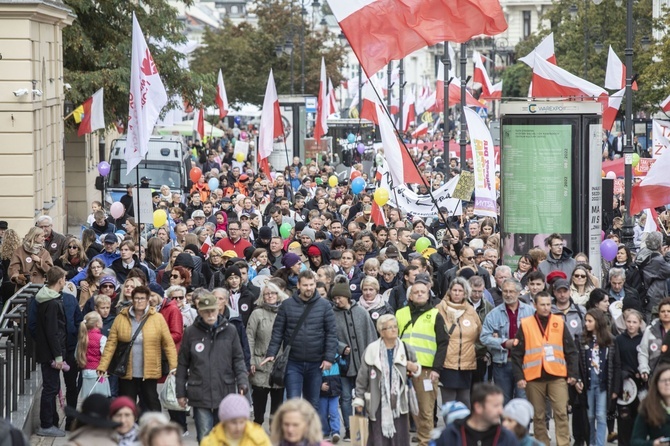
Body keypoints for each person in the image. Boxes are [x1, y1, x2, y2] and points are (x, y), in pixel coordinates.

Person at [176, 292, 249, 442]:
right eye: (206, 311)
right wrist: (180, 392)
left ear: (218, 309)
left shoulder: (230, 330)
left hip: (224, 389)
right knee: (204, 435)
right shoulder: (191, 332)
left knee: (223, 435)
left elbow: (238, 359)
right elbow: (183, 364)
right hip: (199, 391)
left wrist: (242, 381)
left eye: (213, 310)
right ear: (199, 312)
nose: (210, 314)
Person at [511, 291, 580, 446]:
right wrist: (519, 377)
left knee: (561, 413)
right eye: (542, 304)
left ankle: (563, 443)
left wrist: (572, 373)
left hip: (557, 376)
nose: (546, 308)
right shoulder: (526, 324)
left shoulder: (559, 322)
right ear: (534, 305)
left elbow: (571, 350)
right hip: (534, 377)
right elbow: (516, 354)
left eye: (548, 304)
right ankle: (542, 443)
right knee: (538, 416)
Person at [262, 270, 338, 411]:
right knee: (293, 402)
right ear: (298, 285)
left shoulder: (325, 306)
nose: (308, 288)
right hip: (293, 362)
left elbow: (331, 334)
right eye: (305, 285)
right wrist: (271, 352)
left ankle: (310, 433)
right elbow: (278, 331)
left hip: (316, 363)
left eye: (311, 284)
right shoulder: (287, 305)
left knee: (312, 403)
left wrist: (328, 358)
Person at [97, 286, 178, 412]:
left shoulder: (157, 318)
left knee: (151, 401)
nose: (139, 301)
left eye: (142, 298)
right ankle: (129, 429)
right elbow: (111, 343)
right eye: (136, 298)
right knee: (128, 403)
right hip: (127, 369)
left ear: (147, 300)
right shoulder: (121, 318)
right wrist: (103, 366)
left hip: (150, 369)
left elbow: (168, 344)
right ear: (132, 300)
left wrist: (174, 367)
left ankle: (154, 428)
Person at [395, 273, 448, 446]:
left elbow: (443, 343)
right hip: (400, 369)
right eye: (415, 292)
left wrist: (436, 370)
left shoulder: (435, 315)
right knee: (399, 410)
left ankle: (425, 442)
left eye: (422, 292)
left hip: (425, 370)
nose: (419, 294)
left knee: (425, 410)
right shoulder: (400, 314)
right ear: (409, 295)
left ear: (428, 295)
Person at [352, 314, 420, 445]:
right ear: (381, 332)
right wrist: (359, 399)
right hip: (377, 402)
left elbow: (416, 369)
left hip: (399, 402)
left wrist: (415, 368)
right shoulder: (372, 350)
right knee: (378, 438)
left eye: (395, 327)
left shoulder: (405, 348)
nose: (394, 330)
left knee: (400, 437)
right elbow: (362, 377)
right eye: (390, 327)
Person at [330, 279, 378, 441]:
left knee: (362, 396)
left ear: (347, 296)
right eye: (335, 298)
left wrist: (372, 359)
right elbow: (329, 337)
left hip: (363, 364)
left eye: (340, 297)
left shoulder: (362, 313)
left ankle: (361, 428)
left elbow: (371, 336)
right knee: (344, 397)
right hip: (344, 364)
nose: (337, 301)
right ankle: (350, 429)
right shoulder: (332, 315)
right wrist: (341, 347)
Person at [480, 278, 535, 404]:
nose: (508, 294)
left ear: (518, 292)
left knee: (523, 403)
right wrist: (503, 343)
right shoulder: (494, 314)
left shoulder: (530, 312)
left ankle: (522, 425)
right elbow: (484, 337)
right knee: (504, 403)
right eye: (505, 291)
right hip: (502, 364)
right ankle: (504, 425)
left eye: (511, 291)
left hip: (524, 364)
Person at [576, 308, 621, 446]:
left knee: (601, 415)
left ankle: (599, 444)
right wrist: (578, 379)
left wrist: (615, 388)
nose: (586, 324)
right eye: (586, 321)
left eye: (590, 321)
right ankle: (591, 442)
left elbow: (616, 365)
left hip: (602, 384)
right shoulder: (582, 339)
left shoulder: (610, 340)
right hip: (588, 383)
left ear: (598, 322)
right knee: (590, 416)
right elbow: (577, 362)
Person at [435, 277, 481, 408]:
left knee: (465, 401)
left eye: (460, 291)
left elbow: (479, 333)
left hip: (467, 364)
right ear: (449, 292)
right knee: (449, 402)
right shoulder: (439, 309)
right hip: (447, 363)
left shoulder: (471, 311)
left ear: (465, 293)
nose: (456, 293)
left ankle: (463, 428)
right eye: (454, 290)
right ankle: (451, 428)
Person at [34, 267, 69, 437]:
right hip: (51, 354)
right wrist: (58, 356)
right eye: (64, 278)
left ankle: (48, 423)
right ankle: (46, 424)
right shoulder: (53, 303)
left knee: (52, 387)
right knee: (50, 388)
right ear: (60, 280)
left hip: (47, 352)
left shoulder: (47, 300)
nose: (65, 281)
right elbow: (53, 331)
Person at [246, 282, 287, 426]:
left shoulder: (285, 311)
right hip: (260, 364)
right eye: (266, 294)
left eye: (273, 293)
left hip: (279, 365)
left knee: (277, 404)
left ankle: (274, 431)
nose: (270, 296)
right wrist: (250, 360)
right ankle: (257, 429)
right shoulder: (257, 313)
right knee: (259, 404)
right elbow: (249, 338)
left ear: (278, 294)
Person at [435, 383, 517, 446]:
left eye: (501, 405)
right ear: (478, 407)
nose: (501, 411)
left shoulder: (506, 438)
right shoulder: (452, 434)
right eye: (495, 406)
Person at [616, 309, 645, 446]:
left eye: (634, 322)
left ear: (640, 324)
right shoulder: (619, 340)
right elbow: (616, 361)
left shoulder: (644, 339)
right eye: (629, 321)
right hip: (625, 384)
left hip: (641, 385)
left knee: (639, 418)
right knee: (624, 418)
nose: (631, 325)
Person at [200, 393, 272, 446]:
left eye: (242, 422)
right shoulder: (210, 442)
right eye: (233, 423)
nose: (238, 427)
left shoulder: (259, 438)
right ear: (224, 422)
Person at [630, 363, 670, 445]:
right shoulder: (648, 407)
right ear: (656, 384)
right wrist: (653, 443)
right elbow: (635, 441)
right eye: (663, 380)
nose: (667, 383)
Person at [76, 311, 110, 398]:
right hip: (99, 372)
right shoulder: (102, 338)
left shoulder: (83, 337)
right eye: (101, 320)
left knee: (89, 398)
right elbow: (105, 355)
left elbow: (76, 354)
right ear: (97, 324)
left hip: (86, 371)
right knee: (100, 398)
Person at [636, 232, 670, 317]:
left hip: (645, 290)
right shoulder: (658, 260)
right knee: (655, 317)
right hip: (655, 294)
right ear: (660, 244)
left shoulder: (642, 252)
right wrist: (667, 255)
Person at [9, 226, 53, 290]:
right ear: (35, 237)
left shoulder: (44, 252)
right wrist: (17, 277)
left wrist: (40, 261)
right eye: (42, 236)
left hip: (39, 288)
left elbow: (51, 270)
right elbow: (13, 268)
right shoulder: (19, 251)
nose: (44, 238)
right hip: (23, 288)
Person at [639, 298, 670, 381]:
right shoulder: (650, 330)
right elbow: (643, 352)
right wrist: (644, 369)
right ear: (659, 313)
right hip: (654, 376)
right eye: (663, 311)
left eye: (668, 311)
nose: (666, 314)